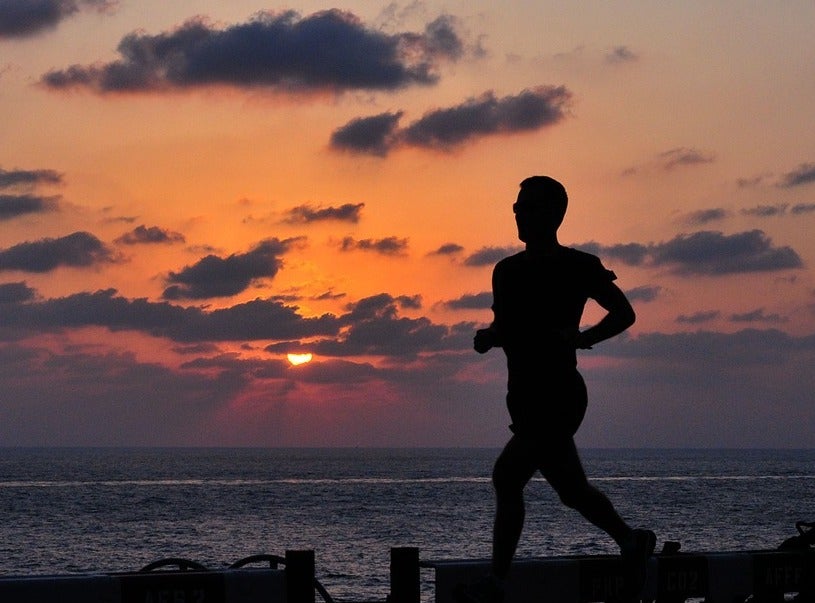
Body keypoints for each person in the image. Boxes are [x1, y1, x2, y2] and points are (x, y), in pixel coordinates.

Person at [455, 176, 656, 603]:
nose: (519, 213)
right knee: (571, 491)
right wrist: (491, 337)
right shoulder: (506, 270)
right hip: (525, 397)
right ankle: (631, 541)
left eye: (529, 207)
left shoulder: (579, 266)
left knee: (507, 476)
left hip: (560, 394)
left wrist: (582, 338)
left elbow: (624, 313)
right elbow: (508, 327)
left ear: (555, 214)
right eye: (517, 206)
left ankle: (497, 582)